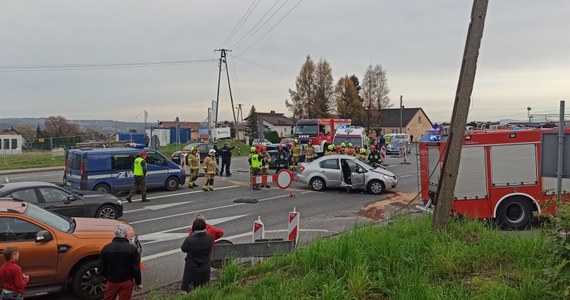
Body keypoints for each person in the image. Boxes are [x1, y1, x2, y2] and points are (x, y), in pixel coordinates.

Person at [99, 224, 143, 300]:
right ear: (125, 234)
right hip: (127, 281)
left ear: (115, 234)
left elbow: (101, 268)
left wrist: (108, 277)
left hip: (112, 281)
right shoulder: (132, 249)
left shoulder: (106, 248)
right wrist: (138, 283)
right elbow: (136, 268)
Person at [180, 218, 214, 293]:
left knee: (191, 289)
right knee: (203, 288)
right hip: (205, 267)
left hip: (192, 269)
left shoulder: (189, 240)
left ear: (193, 228)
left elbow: (183, 249)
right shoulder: (210, 238)